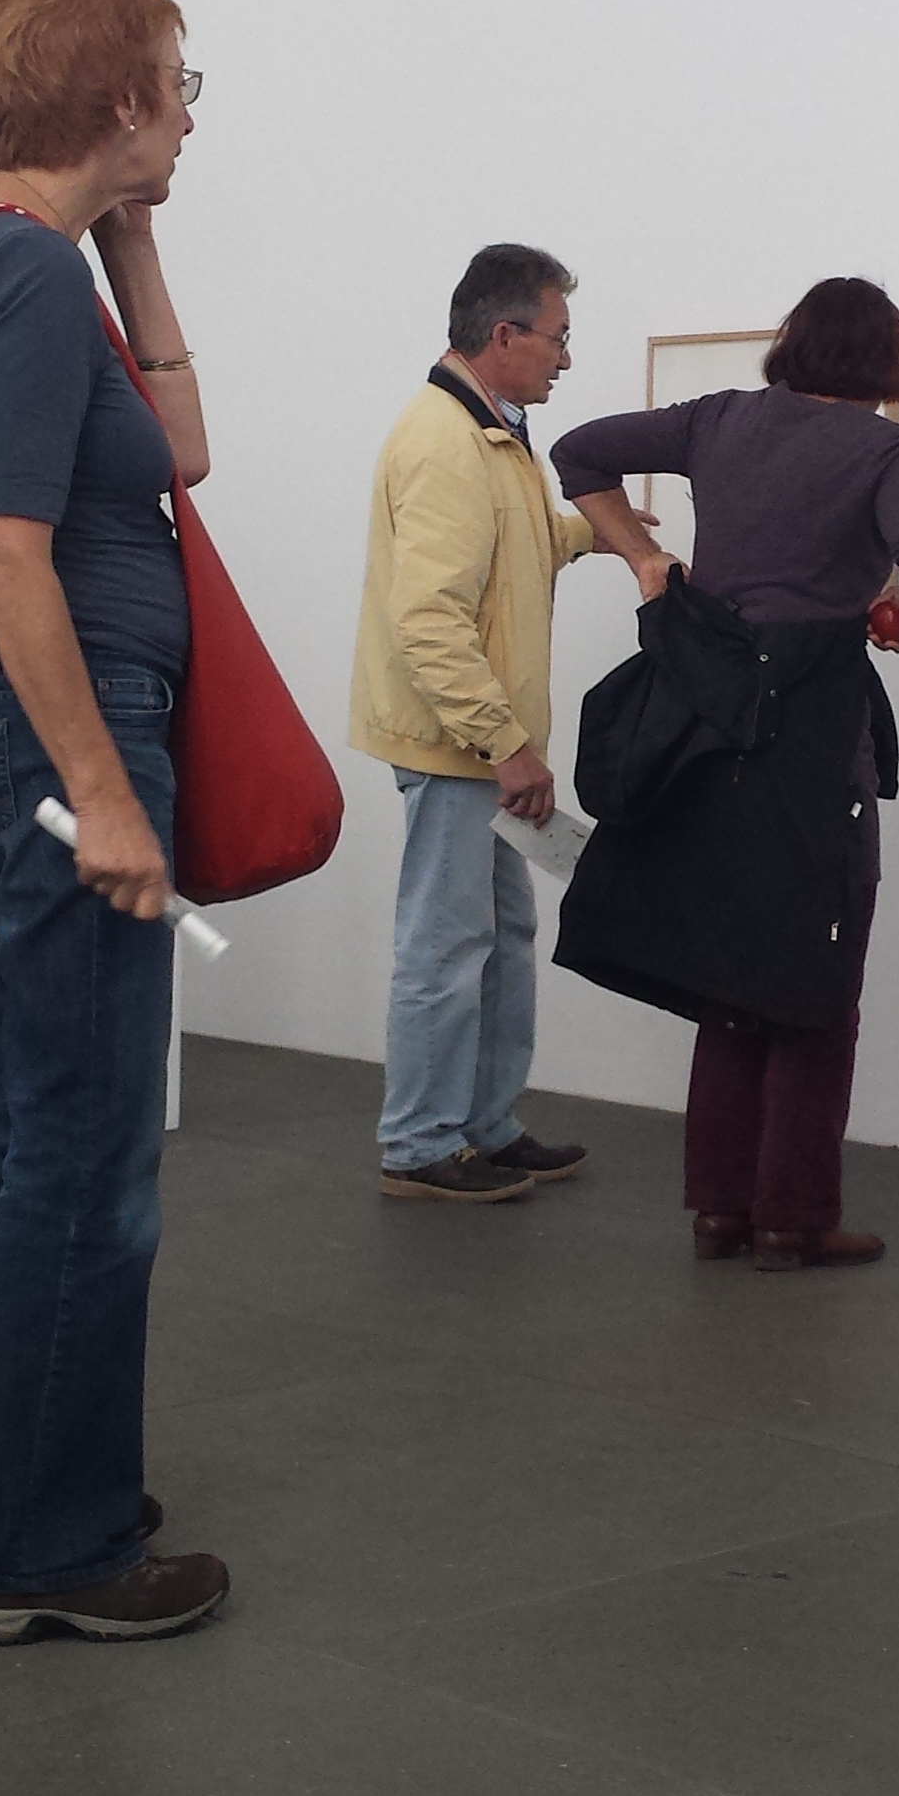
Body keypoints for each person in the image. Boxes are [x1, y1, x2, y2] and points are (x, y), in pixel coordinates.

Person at [0, 0, 229, 1644]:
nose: (190, 116)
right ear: (117, 96)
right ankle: (41, 1547)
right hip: (57, 725)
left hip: (15, 717)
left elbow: (182, 451)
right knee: (90, 1142)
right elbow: (6, 551)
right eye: (178, 84)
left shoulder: (7, 251)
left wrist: (134, 239)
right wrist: (101, 793)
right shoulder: (19, 269)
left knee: (36, 1117)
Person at [555, 278, 899, 1271]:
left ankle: (719, 1210)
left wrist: (645, 559)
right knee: (820, 971)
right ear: (884, 361)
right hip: (814, 736)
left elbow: (578, 452)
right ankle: (792, 1217)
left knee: (730, 967)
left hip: (708, 722)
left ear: (795, 346)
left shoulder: (721, 419)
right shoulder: (885, 449)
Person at [345, 243, 613, 1203]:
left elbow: (512, 548)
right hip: (459, 746)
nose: (566, 359)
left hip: (484, 747)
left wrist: (600, 533)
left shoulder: (493, 432)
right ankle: (419, 1144)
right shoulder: (446, 443)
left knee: (498, 938)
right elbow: (429, 621)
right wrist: (506, 744)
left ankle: (485, 1127)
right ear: (504, 335)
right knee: (446, 945)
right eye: (558, 338)